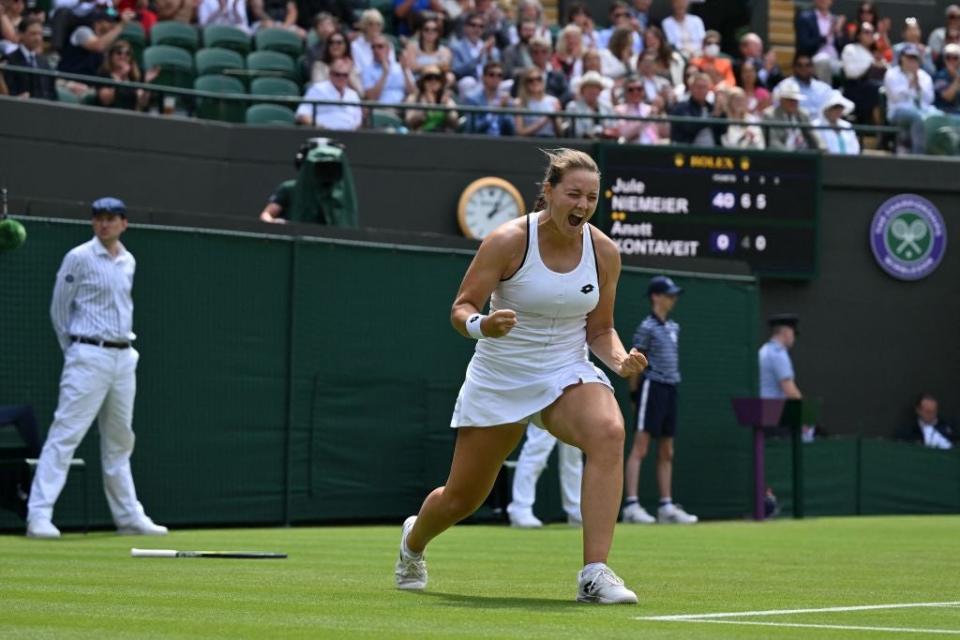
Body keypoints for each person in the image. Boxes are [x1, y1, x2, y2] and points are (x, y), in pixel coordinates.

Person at [394, 148, 648, 604]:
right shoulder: (508, 240)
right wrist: (482, 325)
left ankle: (595, 573)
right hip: (501, 375)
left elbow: (602, 329)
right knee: (461, 499)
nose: (583, 205)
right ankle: (414, 541)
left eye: (591, 197)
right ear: (548, 192)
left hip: (565, 371)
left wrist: (618, 359)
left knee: (609, 431)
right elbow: (462, 307)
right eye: (573, 194)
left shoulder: (604, 251)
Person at [26, 197, 168, 539]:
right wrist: (77, 351)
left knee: (120, 439)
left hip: (123, 357)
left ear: (124, 223)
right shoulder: (78, 257)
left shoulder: (128, 261)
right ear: (93, 224)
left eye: (111, 218)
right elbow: (60, 310)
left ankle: (129, 517)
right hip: (87, 355)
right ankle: (39, 517)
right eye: (98, 219)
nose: (104, 224)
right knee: (65, 435)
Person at [622, 276, 697, 525]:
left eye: (674, 295)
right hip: (651, 387)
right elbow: (635, 362)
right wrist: (634, 395)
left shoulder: (674, 327)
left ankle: (666, 506)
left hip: (671, 388)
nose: (673, 299)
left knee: (667, 450)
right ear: (656, 296)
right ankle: (631, 505)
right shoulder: (646, 327)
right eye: (668, 294)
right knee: (641, 447)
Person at [506, 424, 583, 528]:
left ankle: (576, 509)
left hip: (574, 410)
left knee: (573, 458)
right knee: (536, 450)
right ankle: (520, 508)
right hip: (544, 408)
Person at [758, 314, 814, 442]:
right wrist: (806, 416)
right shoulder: (779, 354)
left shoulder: (763, 351)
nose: (793, 338)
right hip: (776, 416)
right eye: (793, 333)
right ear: (786, 332)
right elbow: (790, 390)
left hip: (762, 415)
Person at [884, 44, 938, 154]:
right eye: (909, 57)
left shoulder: (924, 76)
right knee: (918, 118)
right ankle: (918, 157)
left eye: (914, 58)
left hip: (923, 110)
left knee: (940, 116)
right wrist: (909, 85)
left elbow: (930, 99)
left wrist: (918, 86)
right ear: (902, 58)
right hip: (898, 111)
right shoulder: (891, 74)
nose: (911, 61)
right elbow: (895, 98)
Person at [296, 58, 362, 130]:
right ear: (330, 74)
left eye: (345, 75)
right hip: (323, 134)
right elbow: (302, 115)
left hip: (349, 136)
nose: (341, 78)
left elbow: (358, 122)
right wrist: (320, 127)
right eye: (337, 74)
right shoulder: (318, 89)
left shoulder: (353, 94)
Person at [842, 21, 886, 126]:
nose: (870, 35)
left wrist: (883, 65)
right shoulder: (850, 49)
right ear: (858, 34)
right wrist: (871, 64)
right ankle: (880, 131)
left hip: (873, 86)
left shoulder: (874, 53)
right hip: (855, 89)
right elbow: (850, 73)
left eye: (872, 32)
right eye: (866, 32)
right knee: (878, 89)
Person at [2, 17, 57, 100]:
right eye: (33, 34)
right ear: (21, 34)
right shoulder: (10, 60)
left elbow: (51, 91)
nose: (38, 38)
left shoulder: (44, 62)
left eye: (40, 34)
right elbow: (7, 92)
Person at [95, 40, 157, 111]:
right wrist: (121, 77)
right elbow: (106, 100)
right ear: (111, 56)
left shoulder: (135, 76)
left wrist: (147, 83)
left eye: (127, 53)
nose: (123, 56)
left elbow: (143, 103)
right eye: (119, 53)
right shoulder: (104, 73)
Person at [669, 72, 727, 146]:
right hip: (689, 152)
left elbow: (722, 131)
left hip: (713, 153)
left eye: (705, 87)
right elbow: (689, 127)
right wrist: (713, 117)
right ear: (691, 88)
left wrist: (722, 112)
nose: (702, 90)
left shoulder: (711, 108)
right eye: (699, 87)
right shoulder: (682, 107)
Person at [795, 0, 844, 84]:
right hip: (813, 59)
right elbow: (804, 46)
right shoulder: (805, 18)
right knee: (823, 60)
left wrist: (838, 33)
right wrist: (825, 38)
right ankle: (825, 94)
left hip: (836, 60)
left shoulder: (835, 19)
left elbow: (842, 47)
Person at [763, 79, 820, 151]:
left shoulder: (803, 114)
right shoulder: (770, 115)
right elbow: (773, 142)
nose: (793, 103)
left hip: (805, 154)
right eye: (790, 100)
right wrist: (792, 155)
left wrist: (823, 149)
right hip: (781, 157)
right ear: (781, 100)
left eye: (796, 100)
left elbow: (814, 136)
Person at [463, 60, 515, 136]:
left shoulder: (505, 99)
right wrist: (493, 113)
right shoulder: (472, 98)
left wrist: (505, 111)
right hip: (479, 142)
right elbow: (472, 128)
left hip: (502, 143)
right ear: (483, 77)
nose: (496, 78)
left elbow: (512, 130)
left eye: (499, 75)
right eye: (491, 75)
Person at [403, 63, 459, 132]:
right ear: (422, 82)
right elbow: (410, 121)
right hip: (420, 138)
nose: (433, 81)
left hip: (442, 137)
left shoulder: (446, 98)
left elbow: (454, 121)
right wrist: (426, 108)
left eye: (437, 78)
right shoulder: (414, 98)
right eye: (428, 78)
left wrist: (445, 108)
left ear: (441, 82)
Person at [774, 53, 832, 118]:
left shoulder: (824, 89)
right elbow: (777, 111)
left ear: (813, 67)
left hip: (821, 126)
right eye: (800, 65)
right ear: (794, 67)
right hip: (796, 125)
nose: (804, 69)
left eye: (807, 65)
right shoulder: (784, 86)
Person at [513, 65, 562, 138]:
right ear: (525, 83)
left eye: (538, 79)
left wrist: (554, 118)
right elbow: (520, 132)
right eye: (530, 80)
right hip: (529, 142)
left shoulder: (554, 101)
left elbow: (560, 133)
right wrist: (546, 119)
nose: (535, 82)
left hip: (551, 142)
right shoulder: (519, 102)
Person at [565, 70, 615, 139]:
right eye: (589, 87)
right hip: (581, 146)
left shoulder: (607, 106)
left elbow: (613, 128)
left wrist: (606, 133)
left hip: (606, 144)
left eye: (596, 87)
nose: (592, 91)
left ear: (600, 90)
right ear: (582, 90)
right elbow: (578, 132)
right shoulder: (573, 107)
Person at [934, 43, 960, 114]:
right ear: (944, 59)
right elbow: (948, 96)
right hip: (944, 112)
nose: (951, 60)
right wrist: (957, 79)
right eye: (948, 57)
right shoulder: (940, 75)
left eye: (955, 58)